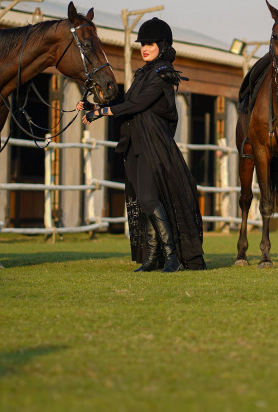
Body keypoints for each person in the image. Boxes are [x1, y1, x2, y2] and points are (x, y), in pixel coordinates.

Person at [79, 17, 205, 272]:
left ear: (162, 45)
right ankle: (153, 256)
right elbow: (126, 101)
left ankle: (172, 256)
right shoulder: (143, 73)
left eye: (150, 43)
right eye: (142, 44)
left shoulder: (162, 74)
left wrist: (101, 114)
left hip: (154, 145)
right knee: (142, 199)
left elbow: (137, 105)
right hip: (135, 144)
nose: (144, 48)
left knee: (148, 199)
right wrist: (96, 106)